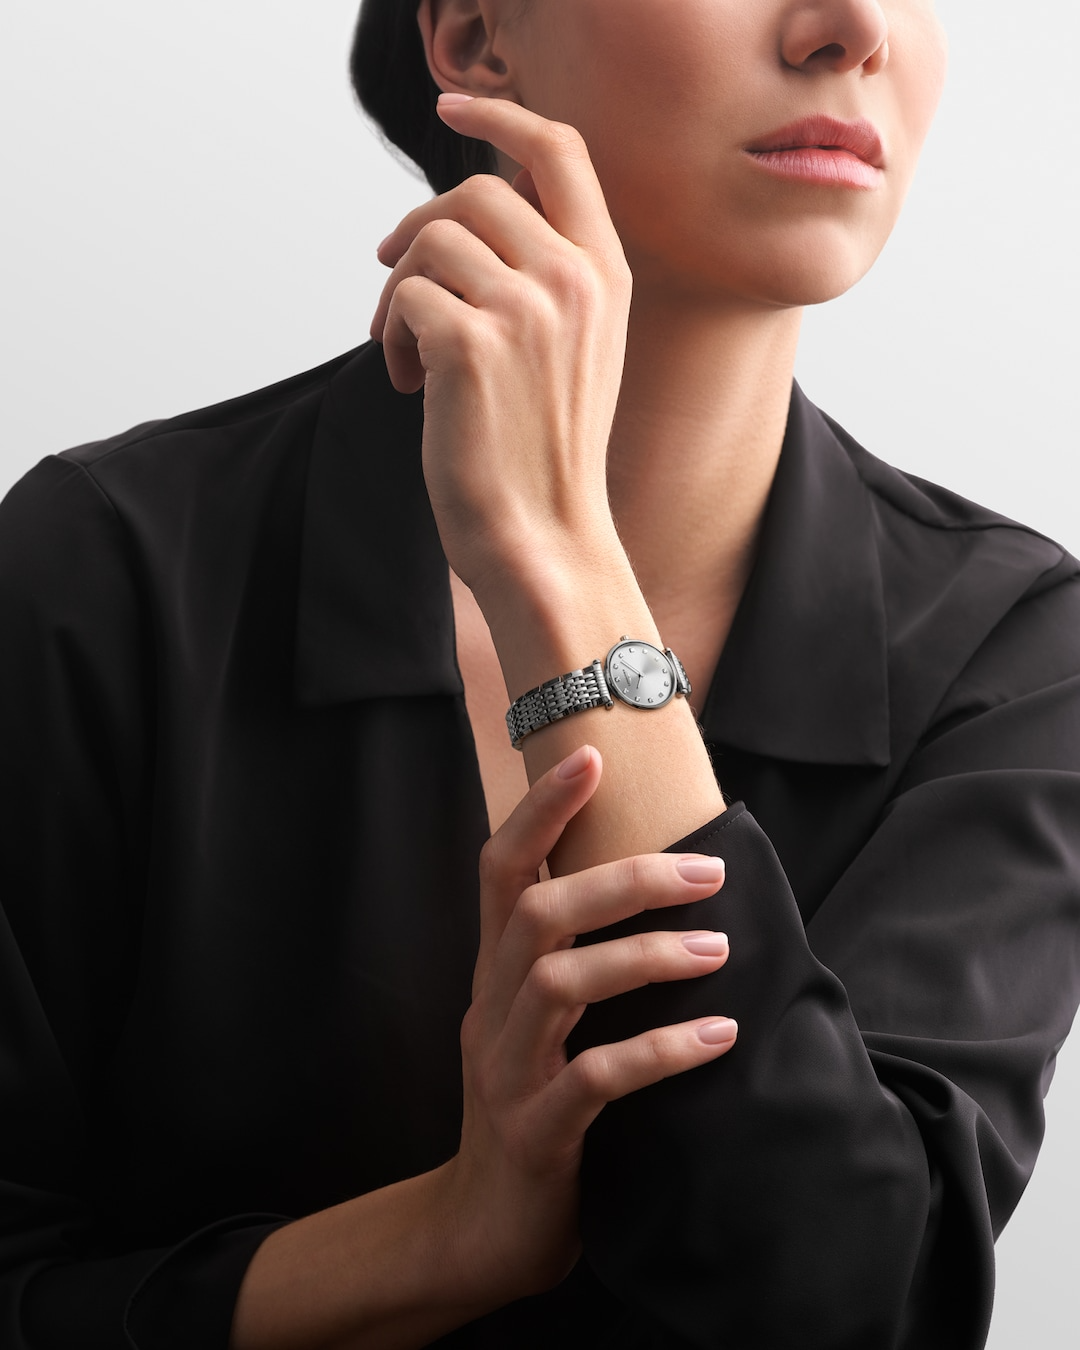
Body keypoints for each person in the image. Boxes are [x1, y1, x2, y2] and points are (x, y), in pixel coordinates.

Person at [1, 1, 1078, 1347]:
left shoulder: (1015, 649)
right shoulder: (100, 572)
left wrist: (556, 561)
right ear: (470, 36)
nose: (852, 28)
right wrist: (440, 1240)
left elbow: (845, 1303)